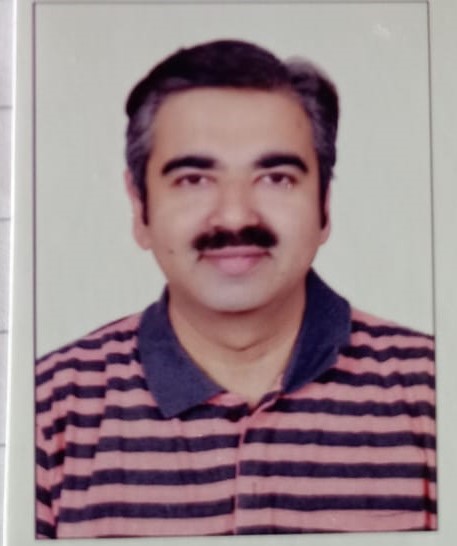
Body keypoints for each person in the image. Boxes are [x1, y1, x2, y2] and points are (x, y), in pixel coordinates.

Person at [35, 39, 436, 539]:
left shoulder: (434, 393)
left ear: (324, 206)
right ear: (140, 209)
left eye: (275, 177)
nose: (234, 216)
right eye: (194, 179)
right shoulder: (46, 413)